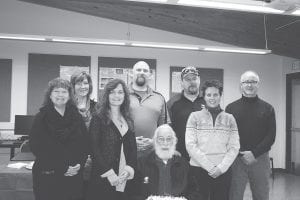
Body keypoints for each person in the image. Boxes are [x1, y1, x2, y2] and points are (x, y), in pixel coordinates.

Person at [29, 77, 89, 200]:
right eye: (56, 91)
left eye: (64, 91)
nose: (60, 95)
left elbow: (85, 144)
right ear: (50, 95)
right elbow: (37, 147)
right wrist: (63, 168)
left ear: (69, 95)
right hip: (49, 176)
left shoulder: (77, 117)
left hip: (74, 175)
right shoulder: (41, 118)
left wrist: (79, 165)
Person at [185, 80, 240, 200]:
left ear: (220, 95)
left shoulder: (230, 119)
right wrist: (210, 167)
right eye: (208, 95)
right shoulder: (194, 117)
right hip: (198, 169)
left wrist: (221, 168)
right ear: (204, 96)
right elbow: (190, 145)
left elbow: (234, 147)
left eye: (215, 94)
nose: (212, 98)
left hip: (223, 171)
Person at [225, 71, 276, 200]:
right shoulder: (230, 108)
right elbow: (227, 135)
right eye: (246, 82)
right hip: (236, 159)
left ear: (258, 85)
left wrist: (254, 153)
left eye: (253, 82)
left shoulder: (268, 108)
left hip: (260, 158)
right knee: (234, 195)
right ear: (241, 85)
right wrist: (239, 153)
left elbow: (271, 136)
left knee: (261, 195)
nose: (249, 85)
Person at [87, 79, 137, 200]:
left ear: (125, 95)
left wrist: (129, 169)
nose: (116, 96)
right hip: (103, 177)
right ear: (106, 95)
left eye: (120, 92)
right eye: (112, 92)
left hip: (123, 177)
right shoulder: (98, 117)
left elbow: (132, 148)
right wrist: (109, 173)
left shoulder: (128, 118)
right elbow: (94, 148)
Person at [133, 124, 189, 200]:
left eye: (169, 139)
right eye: (161, 139)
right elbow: (133, 193)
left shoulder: (184, 164)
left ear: (174, 141)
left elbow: (195, 192)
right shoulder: (141, 164)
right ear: (155, 141)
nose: (165, 143)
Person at [129, 61, 170, 157]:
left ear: (150, 75)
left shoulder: (159, 97)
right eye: (138, 70)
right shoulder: (122, 96)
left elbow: (164, 127)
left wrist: (154, 141)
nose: (142, 72)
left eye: (145, 70)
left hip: (152, 153)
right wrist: (130, 141)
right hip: (127, 152)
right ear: (131, 73)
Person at [167, 66, 205, 160]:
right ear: (182, 83)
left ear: (199, 80)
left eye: (194, 78)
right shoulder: (172, 103)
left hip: (204, 156)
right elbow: (167, 130)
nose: (191, 82)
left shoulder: (208, 101)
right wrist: (170, 150)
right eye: (187, 79)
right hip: (180, 156)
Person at [70, 71, 96, 195]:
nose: (83, 86)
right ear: (73, 86)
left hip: (94, 158)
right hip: (72, 159)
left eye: (85, 83)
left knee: (90, 192)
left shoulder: (97, 107)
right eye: (78, 83)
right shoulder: (67, 106)